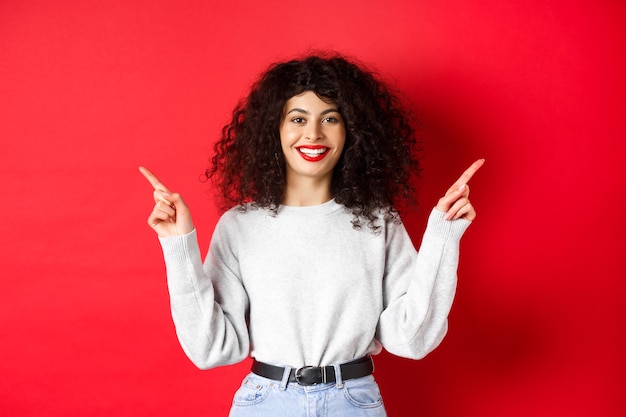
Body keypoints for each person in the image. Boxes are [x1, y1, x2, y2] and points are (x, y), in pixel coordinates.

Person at [140, 53, 484, 417]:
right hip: (265, 403)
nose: (314, 133)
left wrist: (444, 233)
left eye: (330, 118)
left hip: (353, 402)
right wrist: (178, 246)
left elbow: (411, 339)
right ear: (275, 129)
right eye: (298, 118)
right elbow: (211, 349)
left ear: (351, 130)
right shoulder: (239, 226)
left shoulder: (377, 222)